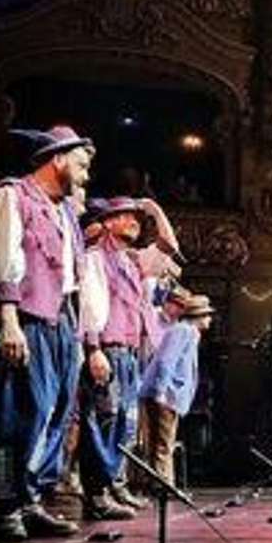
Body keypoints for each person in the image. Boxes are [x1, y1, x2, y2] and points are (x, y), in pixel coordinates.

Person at [0, 125, 94, 541]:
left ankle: (32, 501)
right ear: (57, 159)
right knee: (17, 417)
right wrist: (9, 321)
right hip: (26, 317)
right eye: (81, 165)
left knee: (56, 414)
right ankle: (6, 506)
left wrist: (77, 338)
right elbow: (1, 260)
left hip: (60, 321)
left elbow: (72, 278)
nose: (86, 175)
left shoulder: (64, 211)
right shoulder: (12, 195)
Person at [77, 197, 156, 520]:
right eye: (125, 216)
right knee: (102, 422)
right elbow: (90, 302)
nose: (134, 221)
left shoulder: (129, 261)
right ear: (108, 223)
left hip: (127, 351)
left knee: (123, 424)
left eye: (136, 217)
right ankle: (96, 496)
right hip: (107, 349)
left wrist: (152, 210)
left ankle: (111, 488)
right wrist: (93, 348)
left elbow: (168, 246)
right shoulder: (96, 257)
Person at [137, 292, 214, 488]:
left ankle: (163, 484)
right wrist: (160, 391)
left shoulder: (189, 333)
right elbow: (166, 361)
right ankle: (162, 486)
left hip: (168, 395)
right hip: (165, 395)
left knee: (163, 442)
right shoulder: (182, 331)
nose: (210, 319)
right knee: (162, 443)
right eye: (207, 315)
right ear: (198, 316)